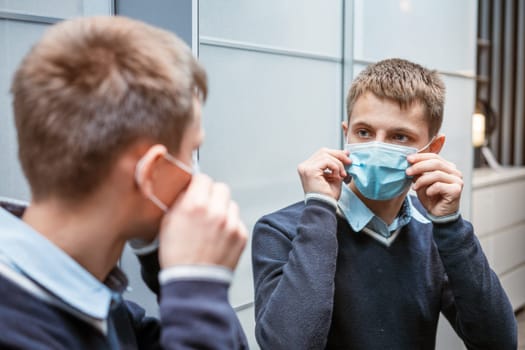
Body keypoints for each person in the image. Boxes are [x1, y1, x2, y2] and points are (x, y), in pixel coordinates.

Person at [0, 16, 248, 349]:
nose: (198, 175)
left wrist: (163, 257)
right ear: (151, 173)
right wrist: (197, 286)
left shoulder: (96, 302)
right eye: (192, 153)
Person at [252, 58, 517, 349]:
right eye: (363, 132)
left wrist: (450, 225)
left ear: (432, 149)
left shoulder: (434, 231)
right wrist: (319, 208)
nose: (376, 147)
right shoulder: (279, 230)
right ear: (346, 133)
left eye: (399, 137)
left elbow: (498, 341)